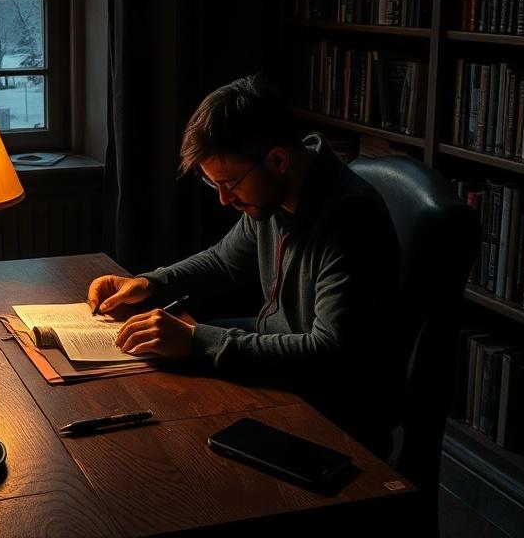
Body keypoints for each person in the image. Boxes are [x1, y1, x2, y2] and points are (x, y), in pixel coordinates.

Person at [87, 75, 404, 454]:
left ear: (278, 159)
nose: (224, 199)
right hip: (279, 361)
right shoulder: (276, 193)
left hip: (331, 408)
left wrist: (195, 340)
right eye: (213, 184)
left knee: (173, 446)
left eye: (230, 182)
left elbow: (328, 354)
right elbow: (223, 262)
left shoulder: (350, 220)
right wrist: (149, 284)